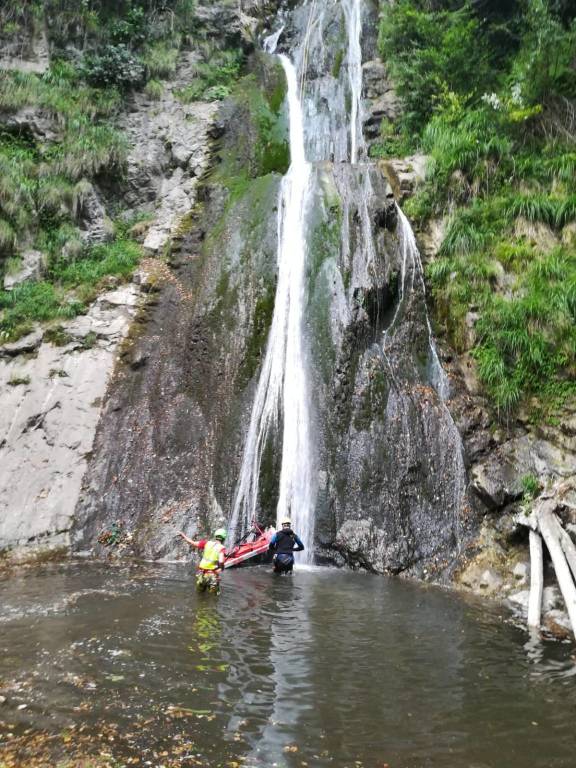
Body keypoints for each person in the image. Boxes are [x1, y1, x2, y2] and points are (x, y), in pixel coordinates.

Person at [178, 528, 227, 594]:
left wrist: (183, 535)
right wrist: (222, 568)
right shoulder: (222, 548)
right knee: (214, 596)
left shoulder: (207, 543)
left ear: (215, 536)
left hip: (201, 573)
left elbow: (192, 543)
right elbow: (221, 561)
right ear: (224, 538)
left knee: (200, 593)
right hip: (212, 575)